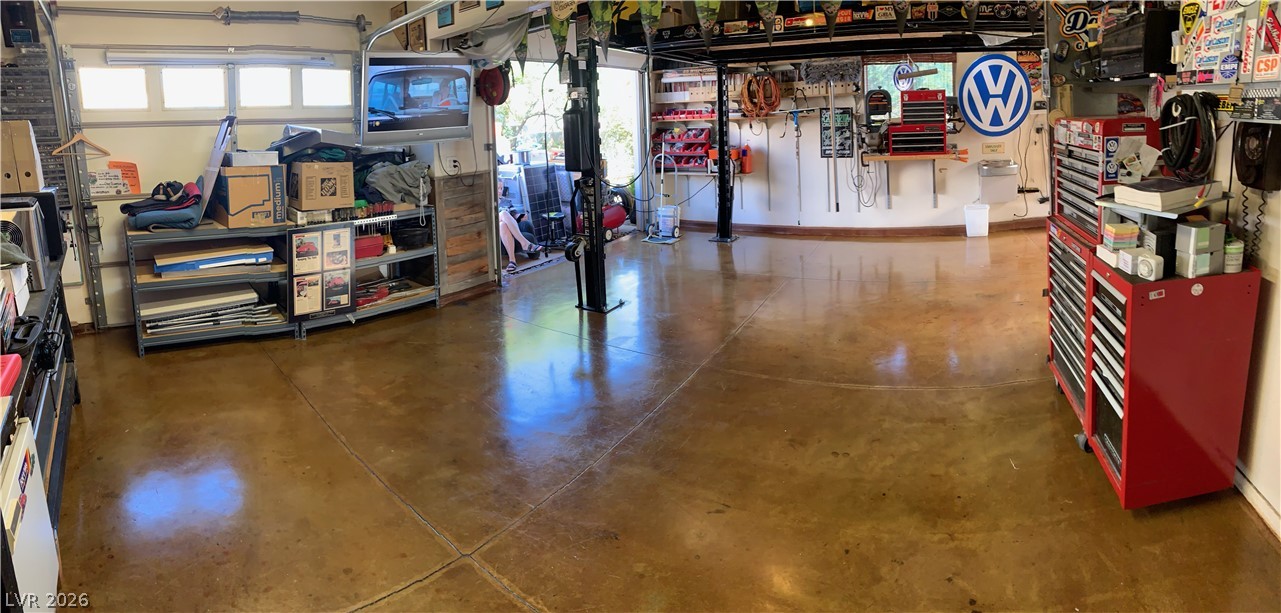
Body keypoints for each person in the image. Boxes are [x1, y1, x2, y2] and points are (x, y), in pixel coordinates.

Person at [498, 208, 545, 273]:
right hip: (493, 228)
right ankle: (525, 243)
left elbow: (514, 214)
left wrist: (520, 216)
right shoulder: (488, 203)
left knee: (502, 225)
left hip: (507, 227)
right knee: (503, 213)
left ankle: (512, 260)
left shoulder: (506, 202)